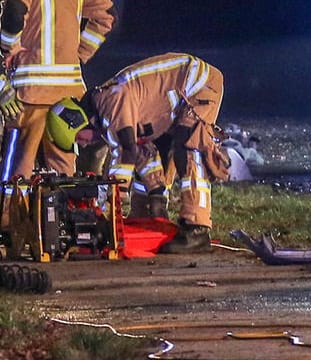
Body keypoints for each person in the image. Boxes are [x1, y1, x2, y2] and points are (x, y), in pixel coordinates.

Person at [0, 0, 115, 179]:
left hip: (32, 92)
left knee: (19, 164)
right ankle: (66, 217)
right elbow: (108, 15)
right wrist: (81, 53)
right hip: (70, 91)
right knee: (63, 164)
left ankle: (13, 219)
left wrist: (10, 47)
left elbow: (15, 11)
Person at [93, 52, 230, 253]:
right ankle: (145, 214)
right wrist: (156, 194)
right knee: (163, 148)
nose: (84, 144)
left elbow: (125, 151)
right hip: (176, 98)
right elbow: (142, 151)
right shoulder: (109, 104)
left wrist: (113, 203)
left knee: (190, 150)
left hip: (200, 85)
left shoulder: (112, 101)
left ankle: (198, 228)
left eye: (81, 139)